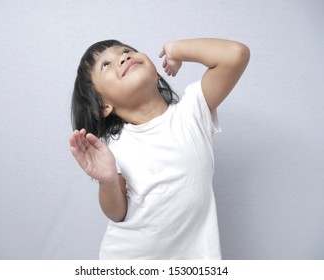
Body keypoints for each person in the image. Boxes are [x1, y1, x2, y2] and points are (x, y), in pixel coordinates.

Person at [69, 38, 250, 259]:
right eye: (105, 64)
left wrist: (178, 50)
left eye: (126, 51)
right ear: (103, 105)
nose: (124, 57)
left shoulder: (192, 113)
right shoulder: (115, 148)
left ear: (156, 72)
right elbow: (117, 213)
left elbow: (236, 54)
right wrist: (106, 181)